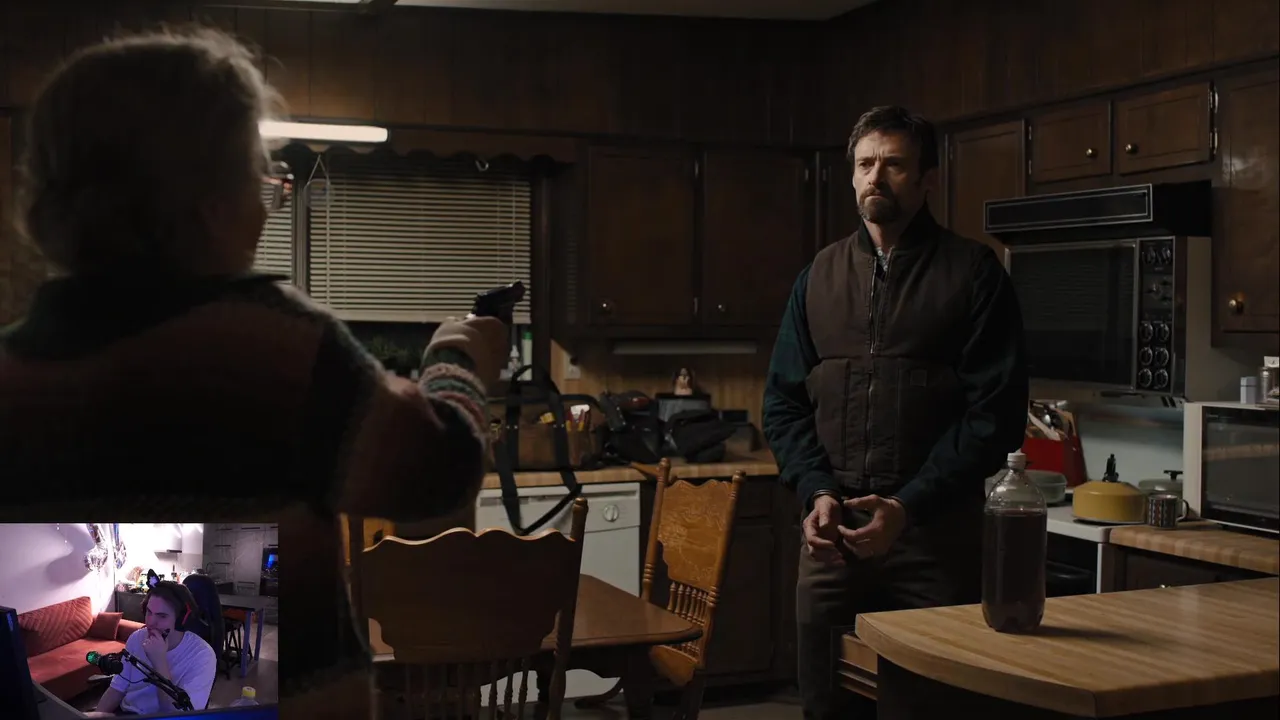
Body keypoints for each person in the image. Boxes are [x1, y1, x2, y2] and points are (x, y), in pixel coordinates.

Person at [0, 28, 510, 720]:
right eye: (261, 173)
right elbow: (437, 473)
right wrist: (458, 359)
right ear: (208, 201)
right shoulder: (280, 349)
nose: (271, 200)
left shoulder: (12, 376)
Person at [762, 105, 1030, 720]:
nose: (875, 177)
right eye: (864, 164)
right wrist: (816, 491)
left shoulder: (974, 274)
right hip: (832, 542)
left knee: (927, 706)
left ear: (928, 179)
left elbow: (994, 416)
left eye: (893, 164)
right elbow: (783, 403)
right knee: (825, 706)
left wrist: (907, 508)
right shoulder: (818, 277)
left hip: (933, 546)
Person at [86, 582, 217, 716]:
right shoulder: (137, 638)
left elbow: (178, 714)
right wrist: (97, 715)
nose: (150, 622)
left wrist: (159, 662)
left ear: (181, 621)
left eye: (162, 616)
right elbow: (117, 688)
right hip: (128, 714)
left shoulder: (202, 656)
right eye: (149, 612)